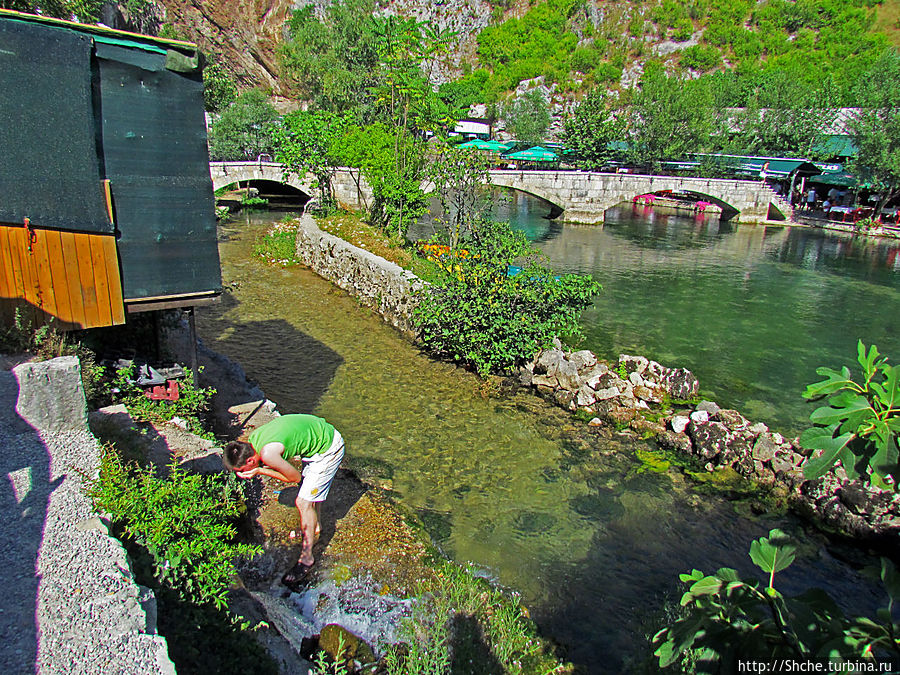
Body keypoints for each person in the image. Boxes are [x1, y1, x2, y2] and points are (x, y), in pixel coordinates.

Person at [223, 414, 345, 588]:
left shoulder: (267, 454)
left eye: (242, 470)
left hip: (329, 449)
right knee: (309, 492)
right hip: (319, 434)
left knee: (303, 502)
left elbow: (293, 478)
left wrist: (259, 471)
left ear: (250, 460)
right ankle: (315, 529)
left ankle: (307, 558)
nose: (241, 474)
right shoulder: (254, 440)